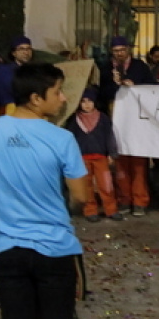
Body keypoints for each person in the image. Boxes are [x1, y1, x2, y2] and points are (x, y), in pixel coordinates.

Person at [0, 63, 89, 319]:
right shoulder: (62, 138)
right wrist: (67, 210)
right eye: (57, 92)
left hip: (7, 248)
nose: (63, 99)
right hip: (55, 247)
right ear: (35, 98)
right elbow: (81, 196)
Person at [99, 36, 155, 217]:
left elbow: (152, 89)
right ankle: (124, 199)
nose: (119, 54)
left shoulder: (140, 67)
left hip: (138, 122)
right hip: (117, 121)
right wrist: (115, 85)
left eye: (122, 50)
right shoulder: (106, 69)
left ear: (128, 50)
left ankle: (140, 201)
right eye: (116, 51)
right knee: (120, 162)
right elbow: (102, 94)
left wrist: (135, 86)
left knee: (139, 163)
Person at [65, 87, 122, 222]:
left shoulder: (103, 118)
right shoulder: (74, 120)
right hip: (82, 158)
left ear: (95, 102)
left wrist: (112, 153)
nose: (87, 104)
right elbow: (69, 139)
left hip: (101, 157)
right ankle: (90, 211)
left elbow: (109, 136)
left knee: (106, 184)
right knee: (87, 186)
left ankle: (111, 209)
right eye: (83, 101)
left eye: (90, 101)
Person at [0, 36, 34, 114]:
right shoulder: (6, 70)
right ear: (14, 53)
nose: (26, 52)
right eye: (21, 49)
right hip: (12, 108)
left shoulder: (34, 69)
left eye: (28, 49)